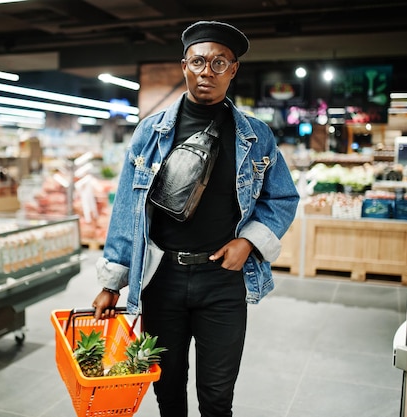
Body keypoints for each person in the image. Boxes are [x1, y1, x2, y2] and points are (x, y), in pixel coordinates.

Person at [91, 20, 300, 417]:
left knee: (217, 397)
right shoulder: (149, 133)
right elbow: (127, 211)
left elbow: (283, 197)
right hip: (161, 279)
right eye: (199, 61)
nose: (208, 71)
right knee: (167, 390)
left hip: (222, 282)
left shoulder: (256, 136)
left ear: (233, 70)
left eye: (220, 62)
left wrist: (249, 242)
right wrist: (112, 284)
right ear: (184, 65)